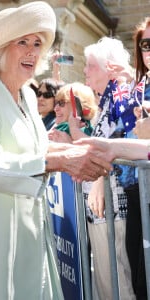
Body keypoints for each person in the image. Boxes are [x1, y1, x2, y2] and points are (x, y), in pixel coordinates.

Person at [0, 2, 112, 300]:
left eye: (37, 43)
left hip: (28, 228)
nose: (32, 51)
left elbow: (38, 148)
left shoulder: (29, 98)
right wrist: (59, 160)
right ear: (0, 50)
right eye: (22, 42)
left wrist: (89, 148)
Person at [81, 36, 136, 300]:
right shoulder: (106, 101)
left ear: (109, 68)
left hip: (114, 206)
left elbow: (124, 137)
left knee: (117, 280)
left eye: (90, 65)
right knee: (105, 277)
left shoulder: (122, 94)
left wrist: (100, 179)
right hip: (101, 207)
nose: (84, 71)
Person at [123, 16, 150, 299]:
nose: (149, 50)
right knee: (140, 282)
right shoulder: (137, 88)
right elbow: (120, 134)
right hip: (135, 188)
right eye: (145, 44)